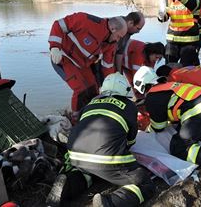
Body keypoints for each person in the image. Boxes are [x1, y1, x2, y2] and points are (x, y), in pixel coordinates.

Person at [133, 66, 201, 186]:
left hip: (198, 110)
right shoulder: (170, 85)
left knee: (180, 146)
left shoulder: (152, 96)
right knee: (197, 134)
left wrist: (147, 132)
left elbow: (159, 127)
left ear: (142, 86)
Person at [66, 72, 155, 207]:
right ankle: (110, 203)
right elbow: (130, 141)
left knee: (90, 172)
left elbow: (79, 124)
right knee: (145, 184)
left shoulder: (91, 103)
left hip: (75, 154)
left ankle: (68, 186)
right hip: (105, 158)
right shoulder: (129, 105)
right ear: (125, 90)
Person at [48, 12, 127, 123]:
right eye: (119, 36)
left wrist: (110, 85)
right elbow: (59, 25)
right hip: (64, 57)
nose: (118, 40)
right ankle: (75, 120)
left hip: (82, 64)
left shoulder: (111, 44)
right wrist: (54, 47)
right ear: (113, 28)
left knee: (94, 90)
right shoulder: (86, 20)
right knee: (81, 89)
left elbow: (107, 66)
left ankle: (89, 115)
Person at [158, 0, 201, 67]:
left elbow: (193, 5)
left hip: (189, 41)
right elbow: (166, 16)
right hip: (172, 40)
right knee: (169, 69)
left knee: (188, 70)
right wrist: (161, 15)